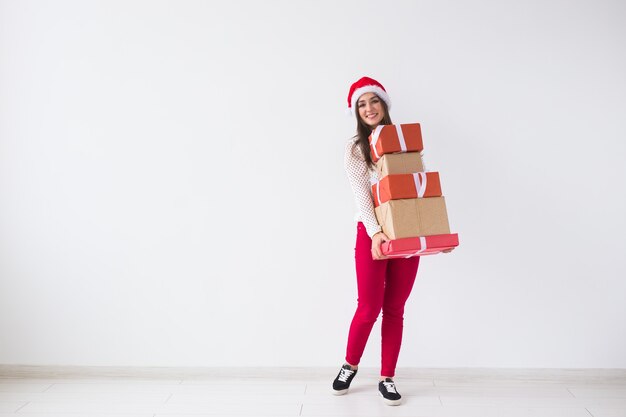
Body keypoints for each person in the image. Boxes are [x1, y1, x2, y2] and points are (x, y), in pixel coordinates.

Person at [332, 76, 450, 406]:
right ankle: (349, 365)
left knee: (395, 309)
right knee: (368, 307)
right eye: (362, 104)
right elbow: (361, 196)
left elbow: (416, 192)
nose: (369, 108)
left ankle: (387, 377)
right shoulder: (356, 149)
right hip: (372, 232)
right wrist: (375, 233)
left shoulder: (404, 143)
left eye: (374, 101)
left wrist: (433, 237)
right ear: (356, 111)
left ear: (384, 105)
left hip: (407, 232)